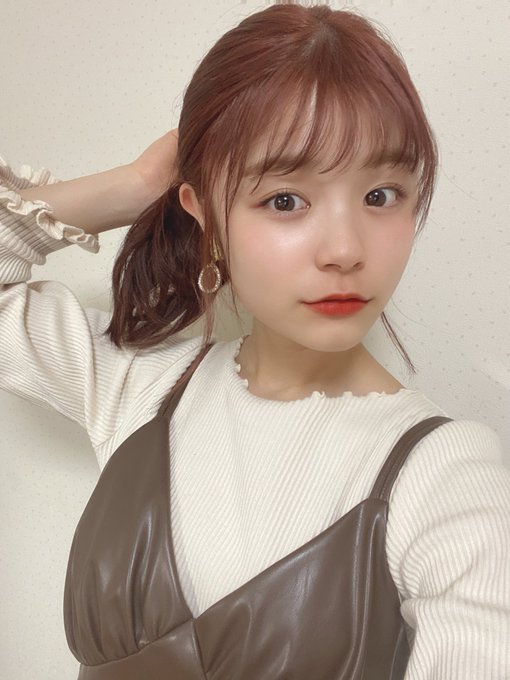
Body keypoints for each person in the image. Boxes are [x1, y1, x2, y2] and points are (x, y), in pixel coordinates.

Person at [1, 2, 509, 679]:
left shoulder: (447, 474)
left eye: (382, 195)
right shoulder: (138, 385)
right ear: (205, 215)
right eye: (285, 200)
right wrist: (137, 185)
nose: (345, 249)